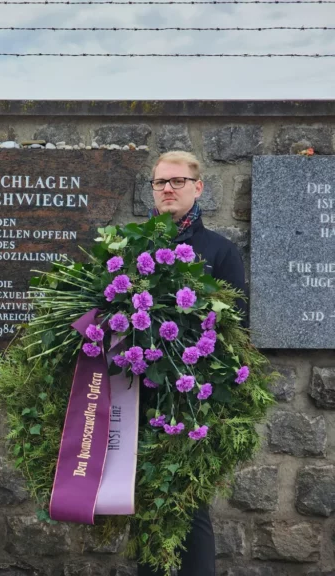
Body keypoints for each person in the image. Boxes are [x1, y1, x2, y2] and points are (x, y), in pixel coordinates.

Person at [139, 151, 247, 576]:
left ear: (198, 188)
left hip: (192, 399)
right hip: (137, 394)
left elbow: (235, 329)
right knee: (145, 499)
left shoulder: (219, 250)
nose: (167, 188)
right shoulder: (135, 245)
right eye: (160, 182)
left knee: (188, 502)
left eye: (177, 181)